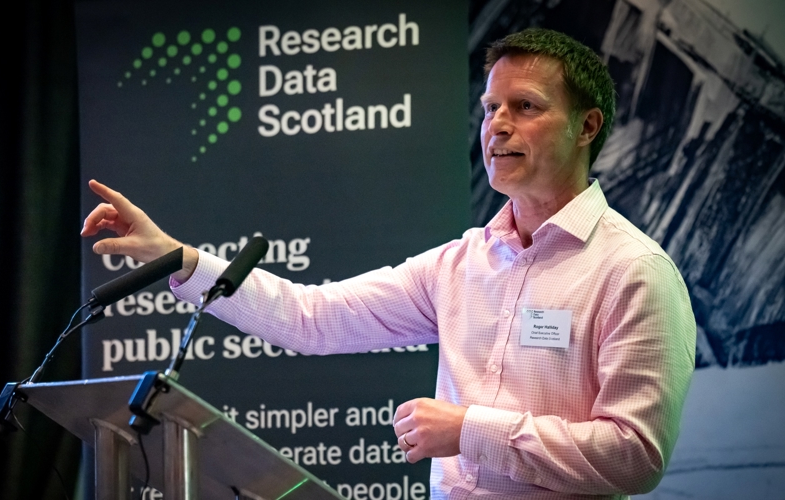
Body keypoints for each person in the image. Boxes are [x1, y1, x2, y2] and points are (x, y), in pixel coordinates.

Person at [81, 28, 696, 499]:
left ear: (587, 126)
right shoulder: (461, 264)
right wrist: (177, 258)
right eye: (490, 108)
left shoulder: (634, 271)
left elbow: (635, 455)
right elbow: (311, 318)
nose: (498, 126)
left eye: (526, 107)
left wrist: (470, 430)